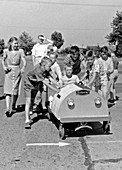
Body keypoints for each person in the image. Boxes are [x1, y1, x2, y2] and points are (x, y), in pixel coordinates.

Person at [23, 56, 59, 129]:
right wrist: (56, 90)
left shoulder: (46, 69)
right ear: (44, 65)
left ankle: (38, 110)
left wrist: (58, 85)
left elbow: (51, 79)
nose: (50, 67)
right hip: (28, 85)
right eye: (49, 66)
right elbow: (46, 83)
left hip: (36, 84)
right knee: (28, 101)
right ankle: (27, 120)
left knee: (37, 98)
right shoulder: (38, 70)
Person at [2, 36, 26, 117]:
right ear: (11, 43)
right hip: (9, 71)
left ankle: (13, 104)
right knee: (8, 91)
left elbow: (24, 60)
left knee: (15, 90)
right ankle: (8, 108)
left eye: (17, 43)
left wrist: (23, 67)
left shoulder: (20, 51)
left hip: (17, 71)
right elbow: (3, 60)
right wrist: (5, 67)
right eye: (15, 43)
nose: (16, 45)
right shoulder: (6, 51)